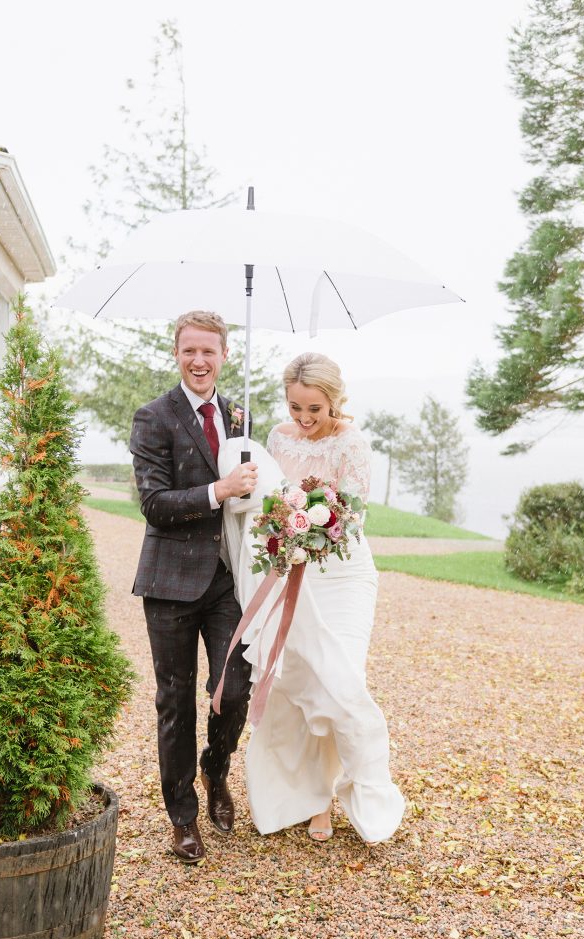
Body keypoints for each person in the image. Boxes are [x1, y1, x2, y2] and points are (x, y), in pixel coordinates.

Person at [218, 352, 404, 848]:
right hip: (292, 574)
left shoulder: (352, 443)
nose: (303, 419)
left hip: (343, 577)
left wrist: (311, 525)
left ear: (334, 402)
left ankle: (348, 788)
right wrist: (273, 523)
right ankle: (305, 794)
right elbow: (266, 503)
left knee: (339, 679)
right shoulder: (278, 437)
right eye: (296, 407)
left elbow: (353, 517)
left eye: (314, 410)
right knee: (297, 681)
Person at [130, 310, 257, 863]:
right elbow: (154, 505)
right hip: (170, 581)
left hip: (227, 578)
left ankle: (216, 768)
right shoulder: (153, 417)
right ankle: (181, 815)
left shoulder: (241, 415)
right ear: (177, 354)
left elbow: (257, 495)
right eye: (189, 351)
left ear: (224, 354)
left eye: (209, 351)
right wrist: (221, 489)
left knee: (235, 687)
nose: (199, 360)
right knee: (176, 702)